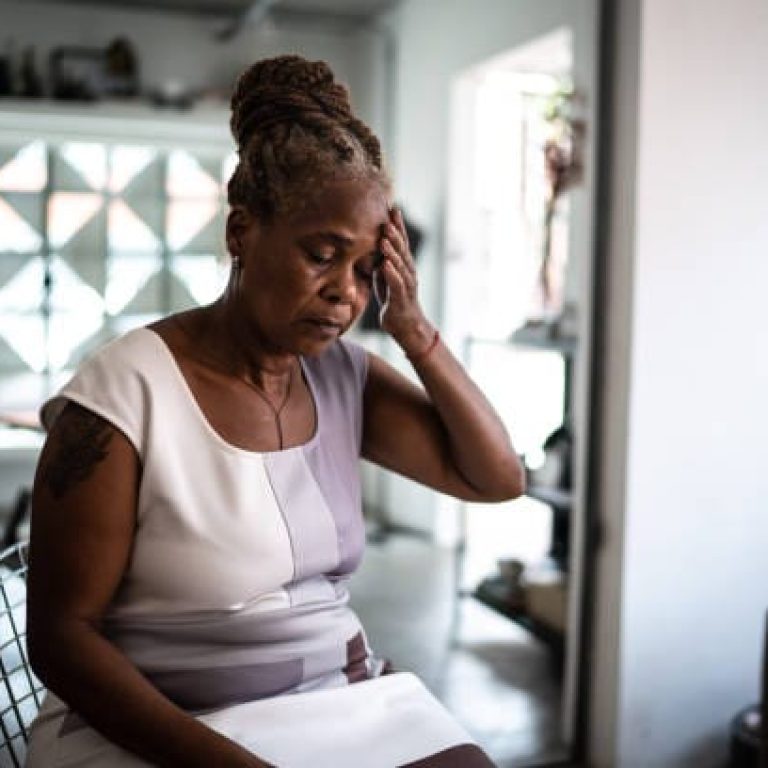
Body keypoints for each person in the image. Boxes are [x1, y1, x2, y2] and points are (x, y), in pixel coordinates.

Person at [24, 54, 525, 767]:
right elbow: (61, 640)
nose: (345, 295)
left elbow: (496, 478)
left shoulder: (342, 375)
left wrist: (413, 331)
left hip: (327, 699)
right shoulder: (123, 397)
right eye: (322, 255)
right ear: (241, 233)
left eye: (364, 271)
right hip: (158, 723)